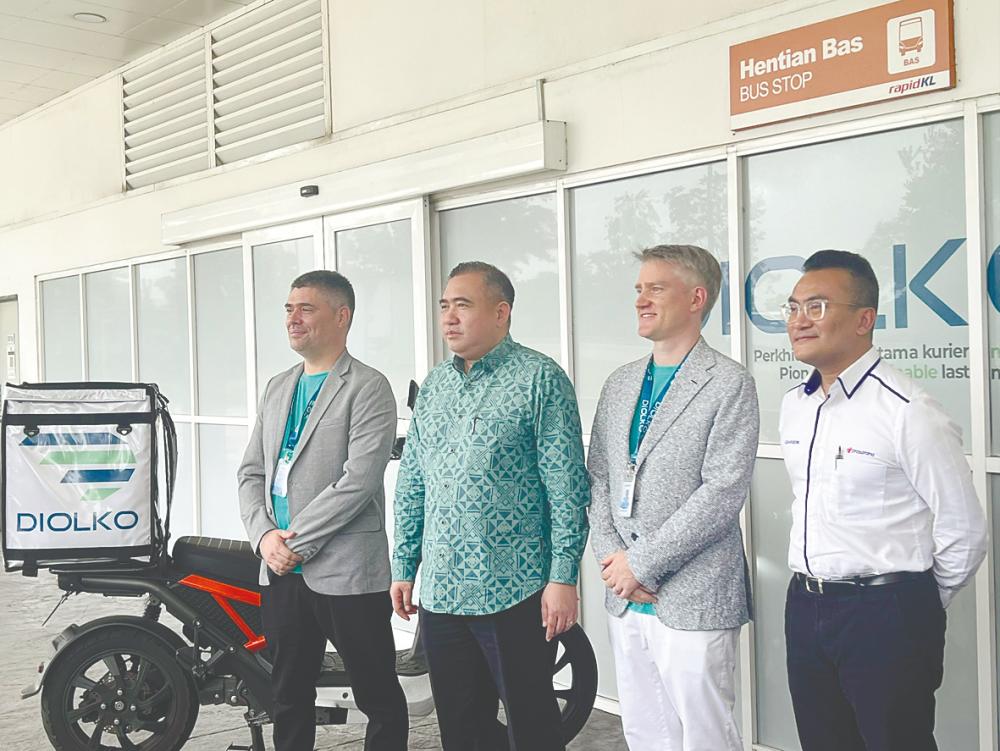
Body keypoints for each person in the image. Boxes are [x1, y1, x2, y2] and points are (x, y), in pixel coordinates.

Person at [779, 250, 988, 751]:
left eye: (817, 307)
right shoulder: (795, 405)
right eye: (792, 307)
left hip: (885, 613)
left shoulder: (908, 411)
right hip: (805, 605)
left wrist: (908, 601)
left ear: (864, 319)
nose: (799, 321)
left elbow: (965, 531)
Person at [390, 261, 590, 751]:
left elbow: (567, 486)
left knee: (533, 726)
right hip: (442, 590)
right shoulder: (435, 384)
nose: (449, 317)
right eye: (444, 306)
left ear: (501, 313)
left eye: (463, 305)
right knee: (461, 727)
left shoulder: (540, 379)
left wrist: (563, 576)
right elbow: (414, 478)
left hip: (515, 587)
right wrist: (404, 563)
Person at [588, 244, 758, 751]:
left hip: (694, 594)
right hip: (625, 596)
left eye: (656, 288)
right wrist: (612, 562)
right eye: (639, 289)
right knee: (645, 732)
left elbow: (723, 491)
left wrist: (641, 563)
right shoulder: (620, 384)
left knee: (704, 736)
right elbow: (597, 479)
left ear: (696, 297)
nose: (641, 299)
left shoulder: (728, 382)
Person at [237, 270, 407, 751]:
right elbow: (251, 473)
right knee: (288, 695)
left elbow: (358, 481)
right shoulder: (277, 386)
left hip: (347, 570)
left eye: (306, 308)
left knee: (377, 693)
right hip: (279, 568)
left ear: (341, 316)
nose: (293, 318)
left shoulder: (368, 387)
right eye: (289, 308)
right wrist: (265, 538)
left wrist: (295, 542)